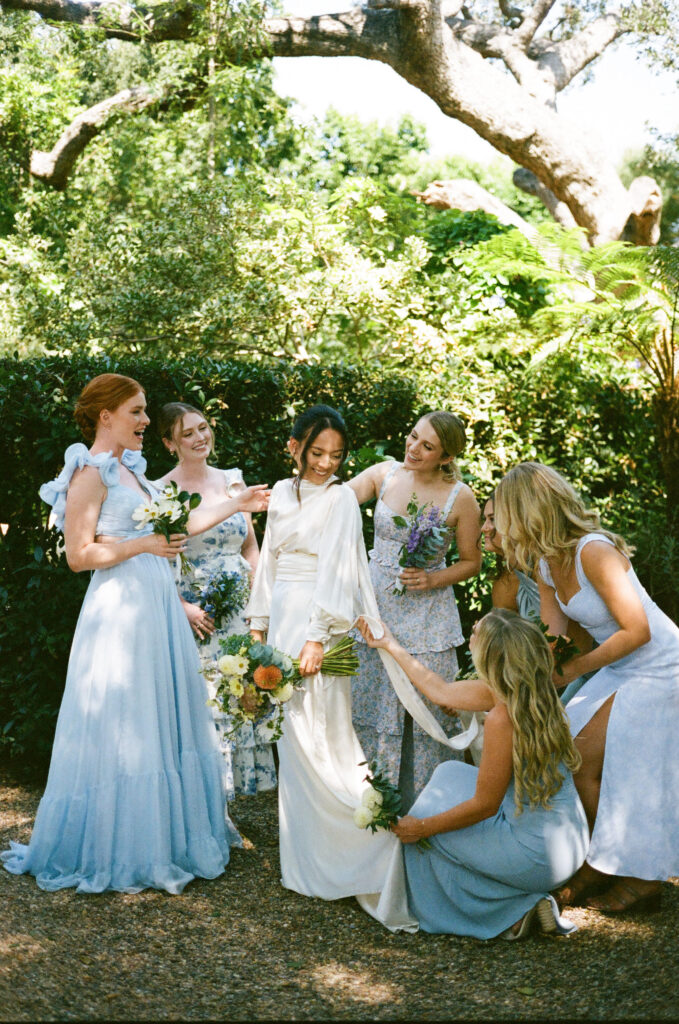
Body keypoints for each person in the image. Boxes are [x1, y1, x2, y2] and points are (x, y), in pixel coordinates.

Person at [1, 374, 269, 895]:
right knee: (127, 719)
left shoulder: (134, 471)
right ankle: (119, 847)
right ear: (106, 415)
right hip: (120, 608)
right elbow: (80, 556)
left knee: (158, 715)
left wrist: (235, 506)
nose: (147, 421)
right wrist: (141, 545)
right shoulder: (90, 472)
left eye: (144, 412)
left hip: (155, 603)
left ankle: (166, 839)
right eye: (137, 412)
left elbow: (176, 529)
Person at [245, 405, 471, 924]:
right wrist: (256, 628)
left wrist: (319, 637)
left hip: (319, 629)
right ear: (294, 446)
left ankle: (367, 854)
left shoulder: (343, 501)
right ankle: (307, 863)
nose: (327, 463)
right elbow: (270, 563)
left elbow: (340, 570)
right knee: (293, 744)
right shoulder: (281, 493)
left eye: (337, 455)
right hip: (281, 619)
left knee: (326, 738)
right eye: (317, 452)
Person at [495, 461, 679, 914]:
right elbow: (556, 636)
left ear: (528, 511)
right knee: (563, 751)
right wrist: (524, 672)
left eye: (502, 514)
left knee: (582, 758)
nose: (498, 525)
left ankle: (640, 878)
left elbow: (638, 631)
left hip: (661, 666)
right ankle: (601, 859)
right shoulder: (544, 563)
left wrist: (575, 668)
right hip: (618, 665)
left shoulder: (593, 552)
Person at [357, 609, 589, 939]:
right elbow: (439, 690)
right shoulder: (531, 688)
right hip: (569, 842)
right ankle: (521, 901)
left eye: (477, 634)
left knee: (424, 833)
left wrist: (422, 828)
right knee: (450, 773)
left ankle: (512, 909)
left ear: (492, 658)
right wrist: (390, 644)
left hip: (537, 856)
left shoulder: (503, 718)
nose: (472, 635)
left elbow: (484, 806)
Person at [348, 411, 481, 808]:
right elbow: (334, 500)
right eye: (412, 437)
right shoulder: (384, 474)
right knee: (369, 703)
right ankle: (369, 806)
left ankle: (426, 812)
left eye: (427, 446)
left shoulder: (462, 497)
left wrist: (432, 579)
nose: (413, 448)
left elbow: (472, 562)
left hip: (428, 617)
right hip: (376, 605)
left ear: (445, 457)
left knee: (427, 711)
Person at [157, 402, 276, 800]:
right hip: (198, 614)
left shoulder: (232, 480)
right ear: (169, 443)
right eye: (187, 433)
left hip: (239, 611)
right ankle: (206, 806)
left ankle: (229, 805)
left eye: (203, 428)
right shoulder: (161, 491)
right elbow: (156, 560)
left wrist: (259, 606)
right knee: (206, 707)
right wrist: (181, 607)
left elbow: (250, 546)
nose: (199, 438)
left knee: (237, 696)